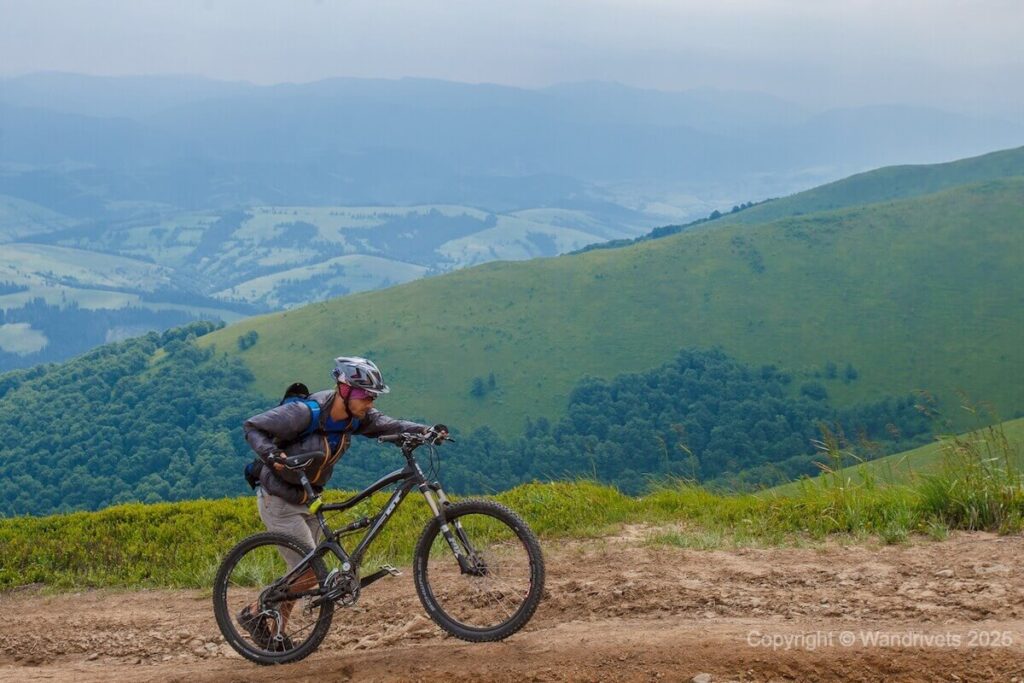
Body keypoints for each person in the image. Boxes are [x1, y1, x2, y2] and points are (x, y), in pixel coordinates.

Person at [238, 355, 446, 650]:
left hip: (308, 496)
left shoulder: (354, 417)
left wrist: (425, 430)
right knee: (310, 572)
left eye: (373, 396)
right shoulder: (304, 412)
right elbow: (253, 427)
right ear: (344, 389)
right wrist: (270, 454)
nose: (370, 402)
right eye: (364, 395)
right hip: (279, 500)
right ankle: (254, 613)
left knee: (304, 571)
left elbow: (389, 424)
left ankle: (276, 633)